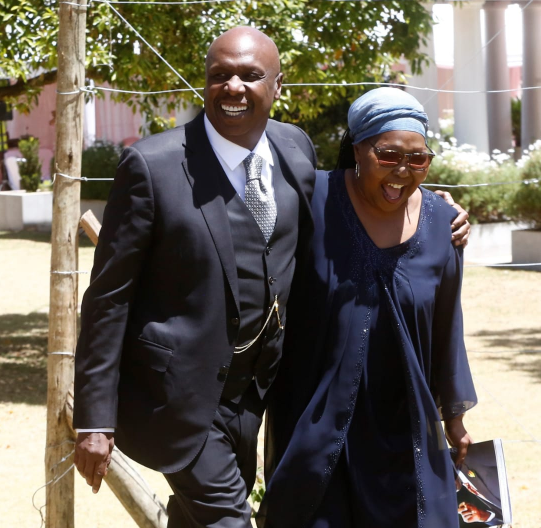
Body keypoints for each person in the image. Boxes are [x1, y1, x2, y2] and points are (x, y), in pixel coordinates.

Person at [73, 27, 471, 528]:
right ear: (204, 83)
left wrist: (437, 208)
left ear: (277, 86)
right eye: (220, 75)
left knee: (193, 521)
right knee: (230, 522)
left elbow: (362, 203)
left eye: (250, 75)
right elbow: (108, 299)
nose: (233, 87)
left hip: (257, 397)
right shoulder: (151, 165)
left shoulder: (294, 149)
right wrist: (94, 418)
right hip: (176, 395)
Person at [258, 87, 478, 528]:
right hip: (315, 422)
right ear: (357, 146)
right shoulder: (310, 200)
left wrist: (453, 418)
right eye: (388, 154)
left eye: (418, 160)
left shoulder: (442, 224)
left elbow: (446, 324)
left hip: (406, 426)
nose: (403, 171)